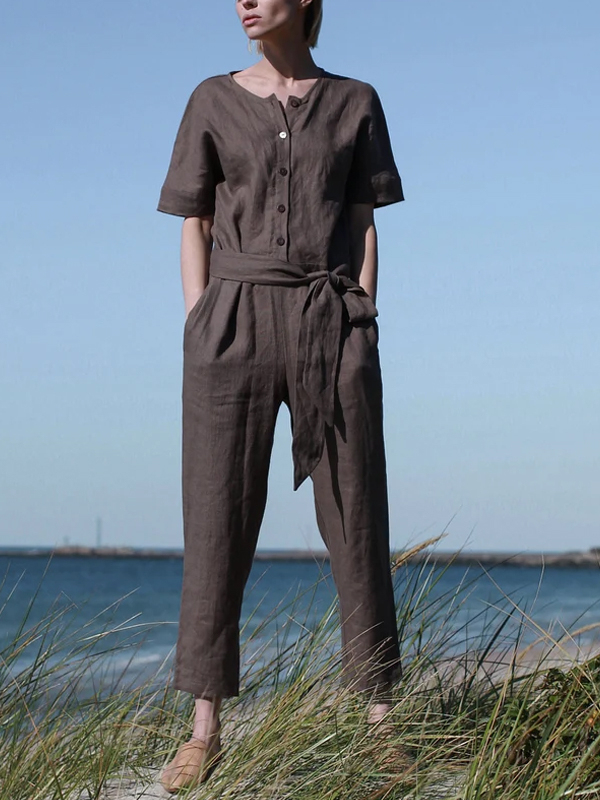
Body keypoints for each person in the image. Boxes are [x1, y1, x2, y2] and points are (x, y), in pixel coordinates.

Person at [158, 0, 405, 791]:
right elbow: (194, 220)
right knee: (216, 520)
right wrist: (200, 319)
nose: (244, 1)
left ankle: (380, 721)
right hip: (232, 323)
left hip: (331, 319)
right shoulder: (211, 99)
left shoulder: (356, 101)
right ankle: (205, 730)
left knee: (358, 516)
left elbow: (363, 222)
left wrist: (362, 317)